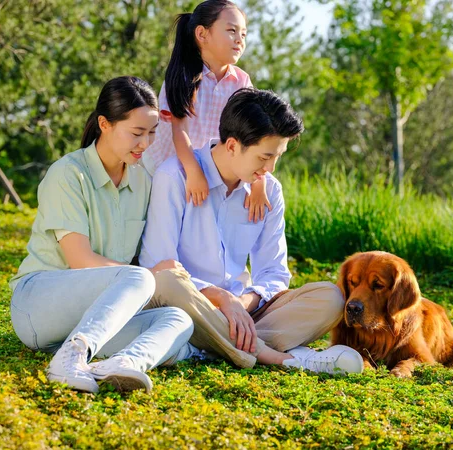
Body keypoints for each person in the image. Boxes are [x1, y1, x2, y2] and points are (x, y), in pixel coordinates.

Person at [140, 88, 364, 374]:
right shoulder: (174, 177)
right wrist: (221, 299)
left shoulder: (269, 190)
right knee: (169, 281)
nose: (269, 168)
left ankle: (208, 347)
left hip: (247, 313)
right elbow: (158, 267)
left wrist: (243, 302)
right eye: (264, 157)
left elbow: (274, 273)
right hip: (191, 305)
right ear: (232, 145)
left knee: (330, 298)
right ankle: (272, 355)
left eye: (277, 158)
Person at [9, 76, 198, 394]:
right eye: (137, 133)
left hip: (96, 316)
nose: (145, 144)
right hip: (37, 305)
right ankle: (70, 359)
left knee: (178, 320)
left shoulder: (144, 181)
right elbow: (81, 260)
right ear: (104, 124)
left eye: (152, 133)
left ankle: (125, 362)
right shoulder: (69, 174)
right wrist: (149, 276)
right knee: (139, 279)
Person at [142, 0, 271, 223]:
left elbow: (254, 136)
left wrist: (259, 184)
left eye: (244, 34)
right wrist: (193, 172)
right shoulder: (183, 76)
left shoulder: (242, 82)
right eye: (231, 31)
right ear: (202, 34)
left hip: (209, 168)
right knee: (162, 224)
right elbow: (178, 131)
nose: (240, 39)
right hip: (167, 168)